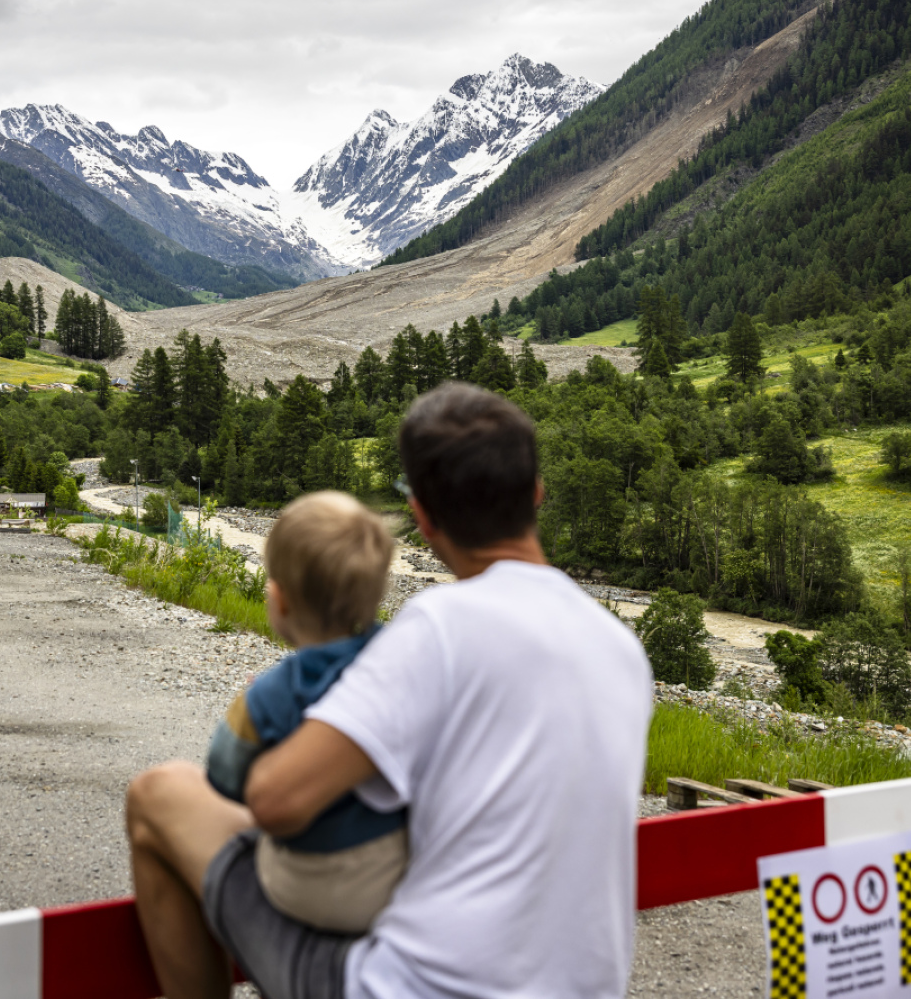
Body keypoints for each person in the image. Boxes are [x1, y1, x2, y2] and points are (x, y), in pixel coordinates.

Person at [125, 382, 653, 999]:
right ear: (537, 493)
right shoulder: (621, 649)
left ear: (423, 517)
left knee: (159, 794)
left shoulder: (441, 626)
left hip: (413, 989)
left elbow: (276, 799)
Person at [206, 490, 407, 934]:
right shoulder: (399, 663)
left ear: (280, 600)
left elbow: (222, 773)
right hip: (399, 873)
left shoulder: (273, 691)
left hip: (311, 885)